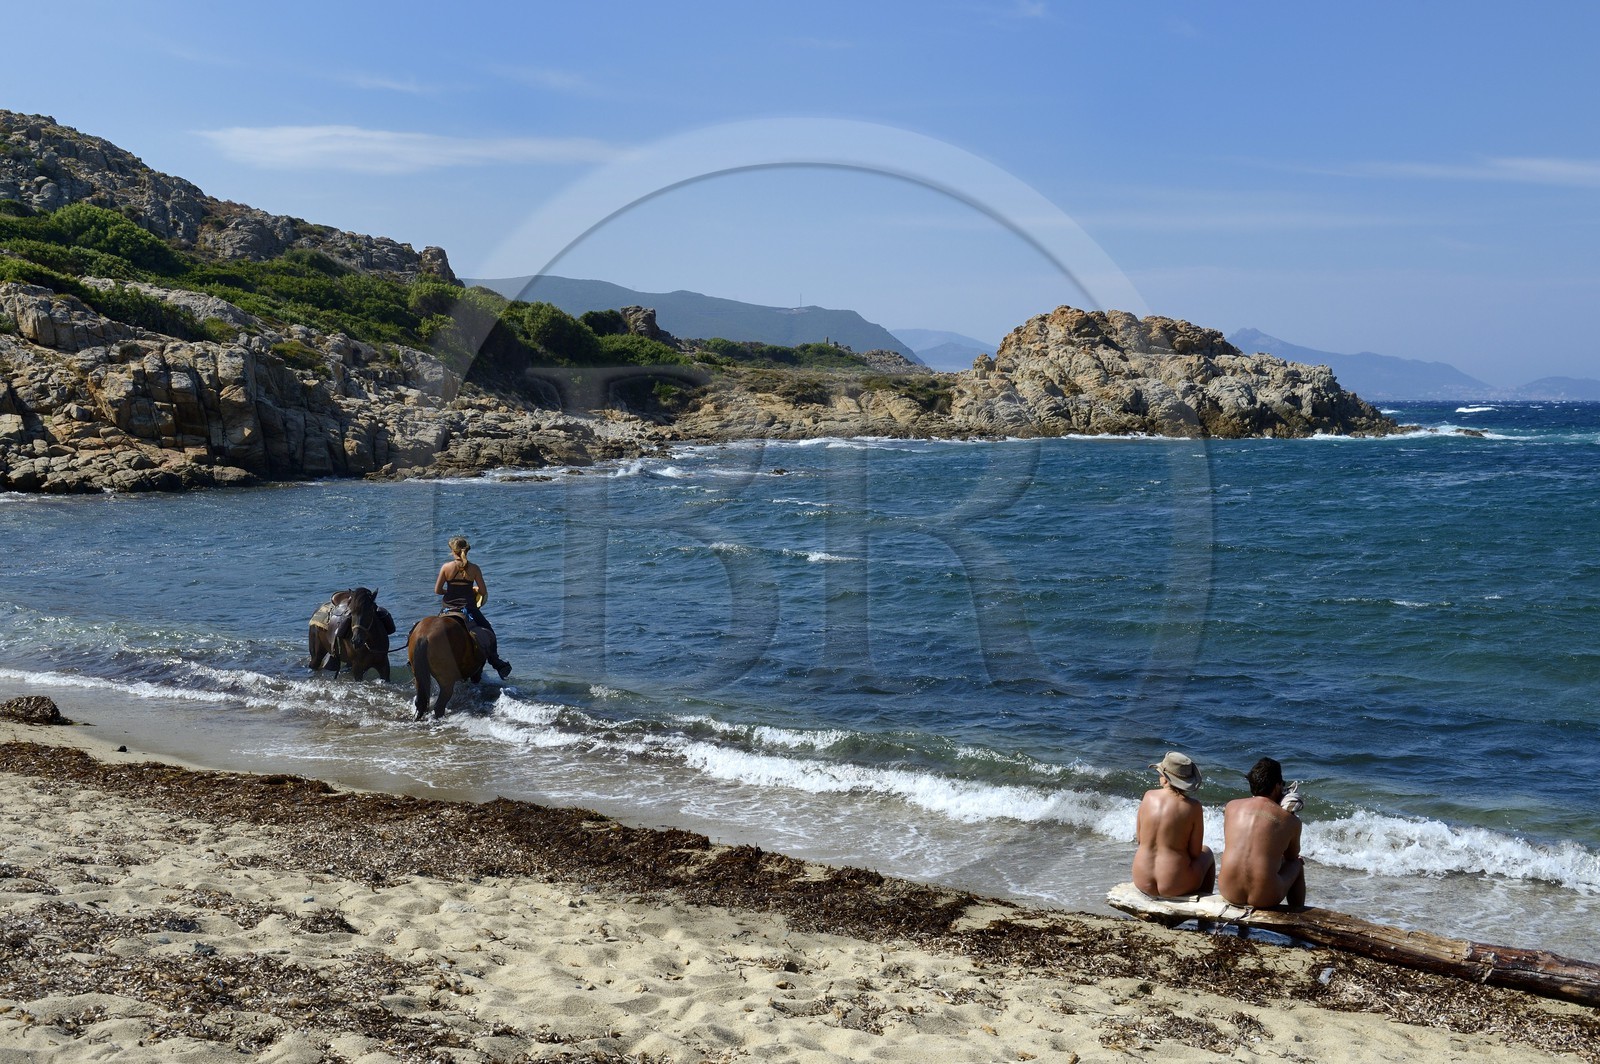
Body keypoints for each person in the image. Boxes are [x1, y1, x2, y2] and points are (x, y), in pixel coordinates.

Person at [1219, 757, 1306, 909]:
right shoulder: (1290, 820)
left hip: (1228, 891)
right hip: (1264, 897)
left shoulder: (1231, 807)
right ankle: (1297, 915)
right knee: (1296, 864)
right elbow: (1291, 857)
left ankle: (1243, 929)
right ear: (1277, 785)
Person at [1132, 751, 1215, 898]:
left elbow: (1140, 840)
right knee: (1207, 853)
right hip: (1174, 885)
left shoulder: (1148, 796)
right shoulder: (1193, 807)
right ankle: (1204, 920)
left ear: (1165, 778)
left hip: (1142, 880)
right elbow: (1195, 853)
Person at [434, 536, 512, 679]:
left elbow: (438, 590)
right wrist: (473, 589)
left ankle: (413, 659)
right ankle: (495, 662)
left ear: (452, 551)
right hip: (468, 609)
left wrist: (450, 591)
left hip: (447, 609)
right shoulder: (474, 568)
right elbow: (483, 591)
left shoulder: (446, 567)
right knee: (489, 631)